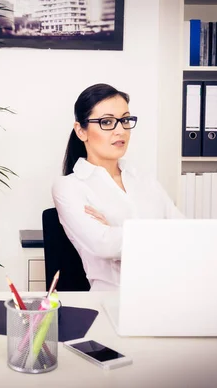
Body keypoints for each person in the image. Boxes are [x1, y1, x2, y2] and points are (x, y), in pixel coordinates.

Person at [52, 83, 183, 291]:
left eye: (125, 120)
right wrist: (160, 234)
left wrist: (117, 231)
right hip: (112, 301)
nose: (120, 130)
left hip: (166, 292)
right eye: (107, 122)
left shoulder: (145, 180)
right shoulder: (69, 187)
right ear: (81, 131)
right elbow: (104, 244)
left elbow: (185, 233)